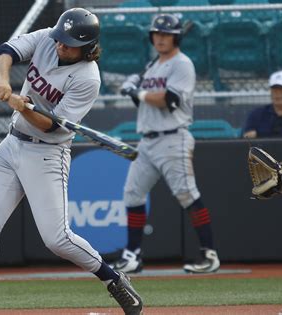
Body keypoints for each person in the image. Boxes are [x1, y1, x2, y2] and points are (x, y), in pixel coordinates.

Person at [0, 8, 143, 315]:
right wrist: (2, 79)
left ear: (88, 47)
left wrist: (23, 106)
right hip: (11, 145)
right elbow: (6, 52)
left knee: (57, 239)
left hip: (47, 154)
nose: (60, 46)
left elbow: (50, 125)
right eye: (60, 39)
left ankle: (113, 278)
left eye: (69, 43)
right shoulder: (47, 39)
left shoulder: (88, 79)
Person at [110, 14, 220, 274]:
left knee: (187, 195)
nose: (160, 37)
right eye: (157, 33)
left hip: (173, 138)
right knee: (132, 194)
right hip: (147, 140)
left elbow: (169, 99)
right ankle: (132, 255)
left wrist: (138, 91)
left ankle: (210, 255)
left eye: (166, 34)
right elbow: (147, 101)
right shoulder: (153, 65)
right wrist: (134, 85)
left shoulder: (183, 64)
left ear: (176, 37)